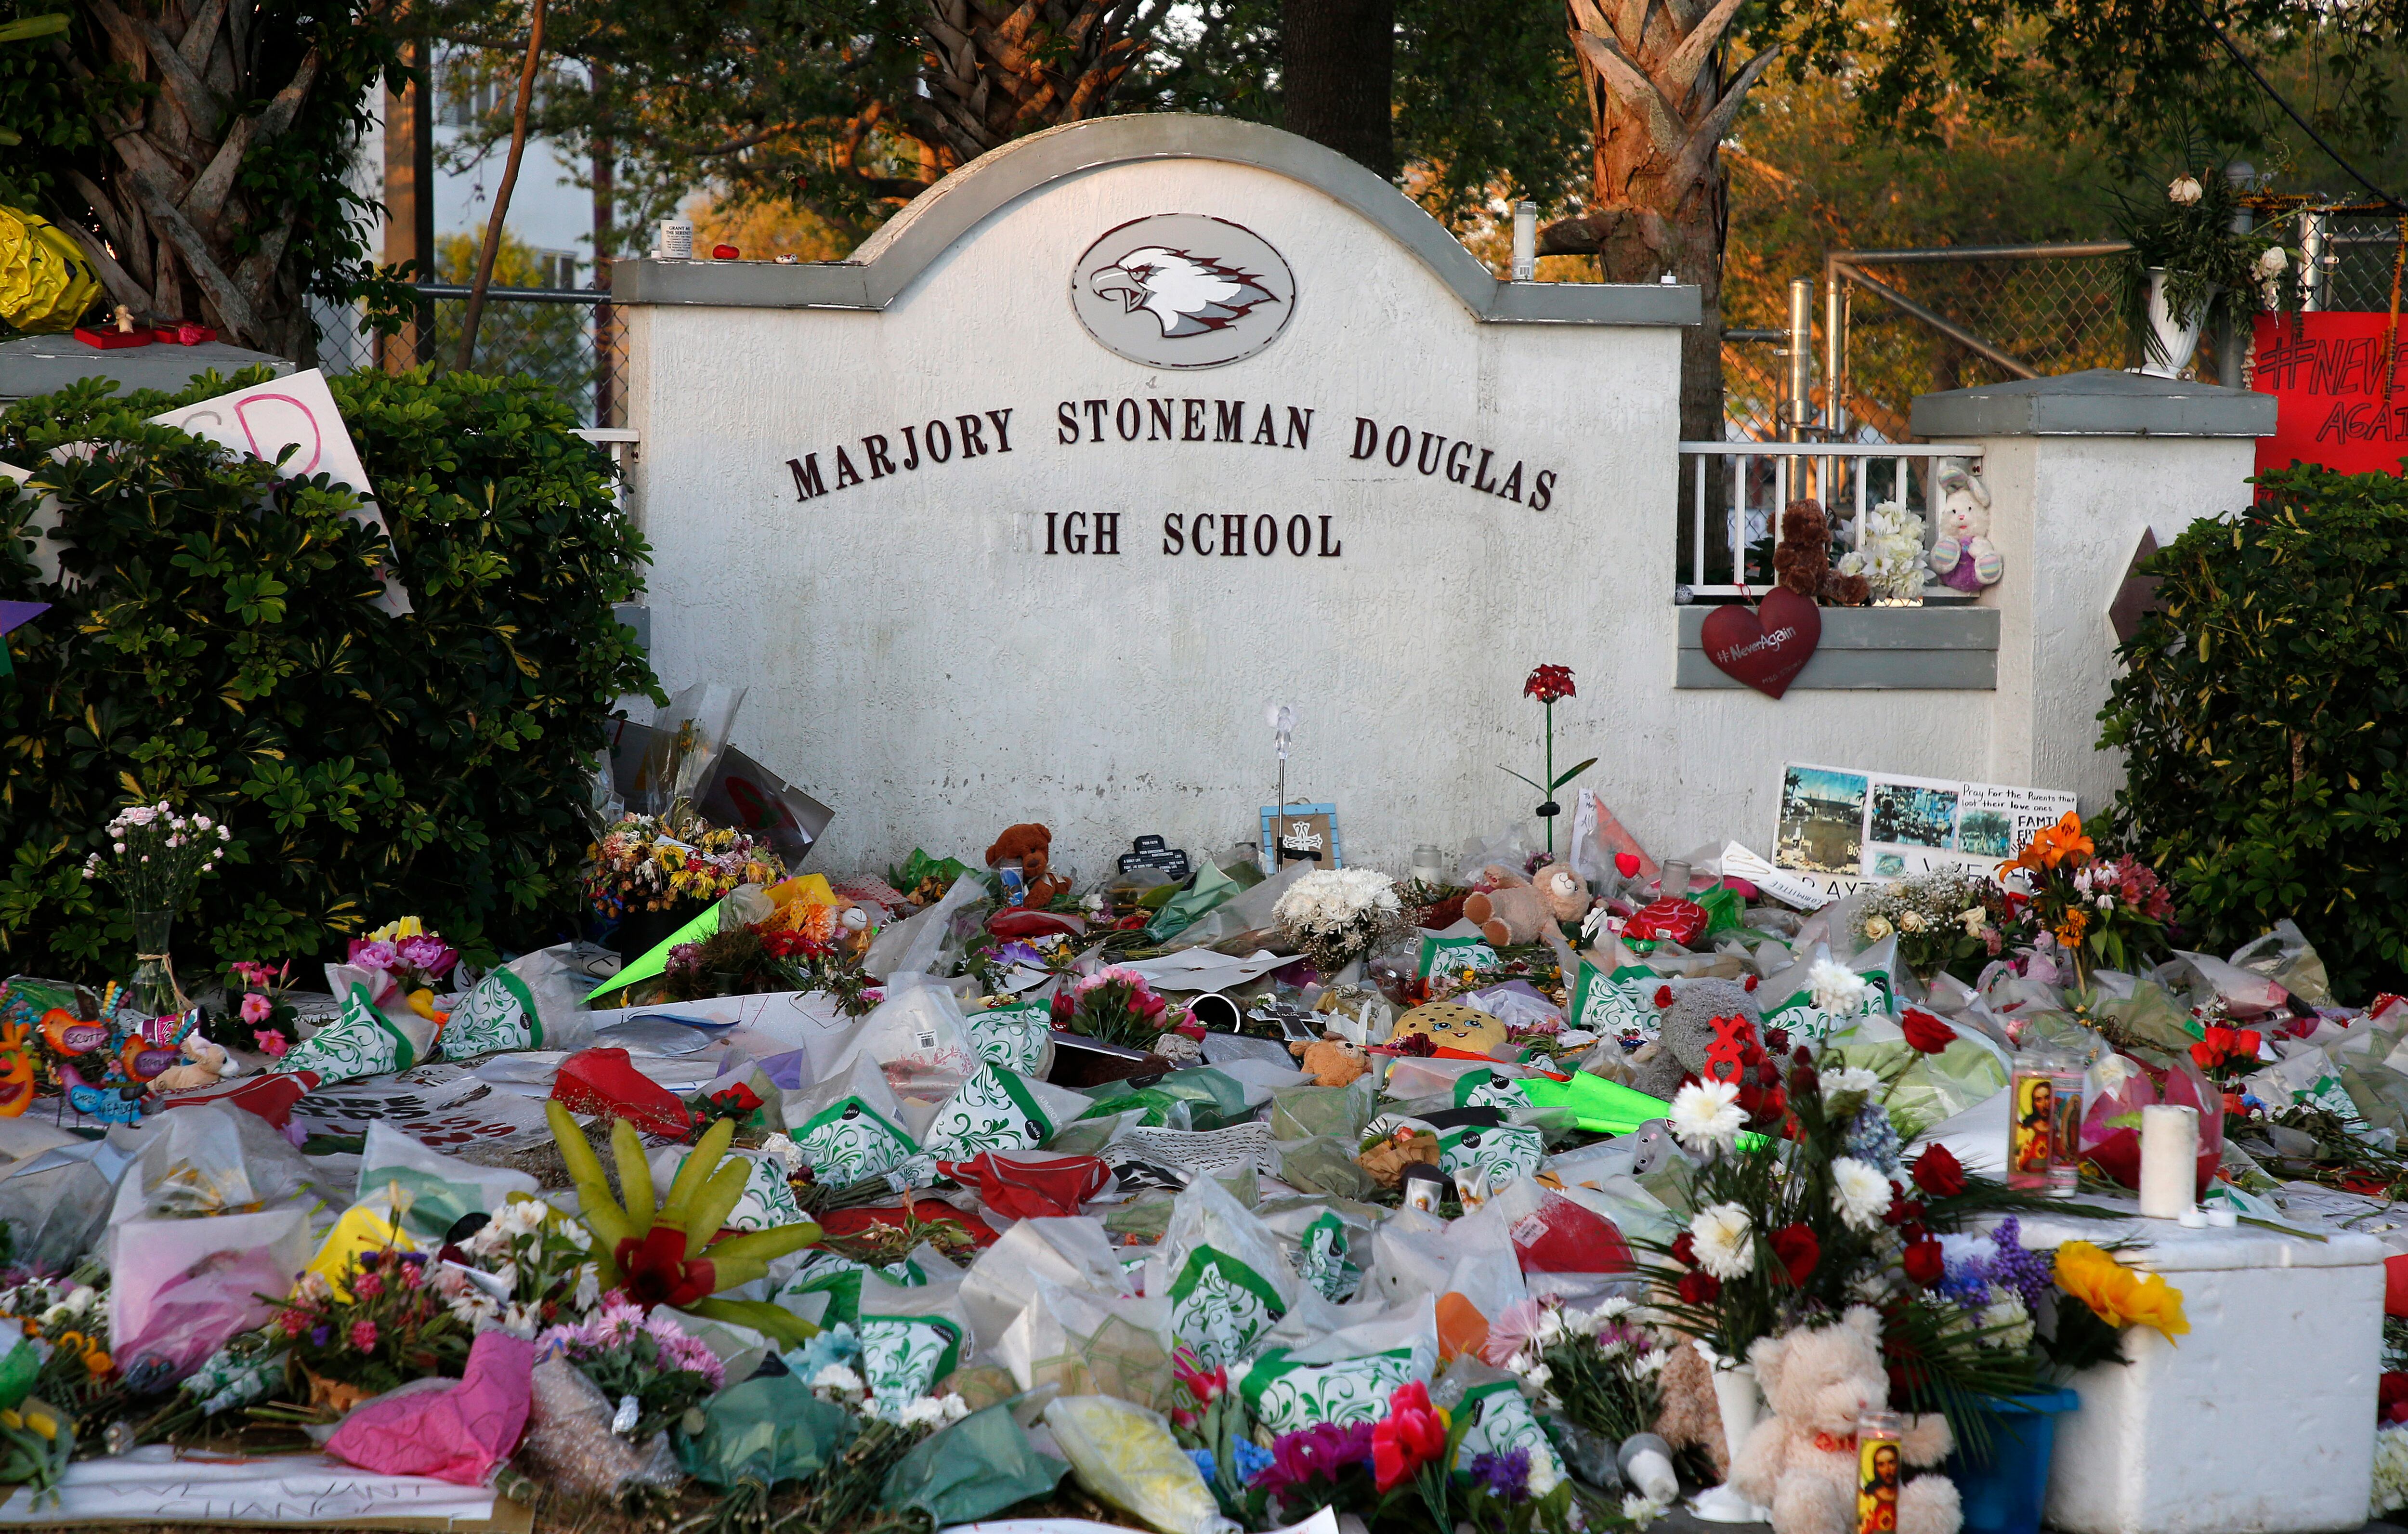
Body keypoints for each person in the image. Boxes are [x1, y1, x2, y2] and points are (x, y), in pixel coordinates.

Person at [1858, 1440, 1901, 1534]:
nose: (1888, 1470)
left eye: (1891, 1462)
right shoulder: (1868, 1497)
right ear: (1876, 1469)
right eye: (1881, 1465)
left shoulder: (1905, 1495)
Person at [2013, 1078, 2055, 1174]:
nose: (2044, 1105)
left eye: (2047, 1098)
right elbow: (2014, 1165)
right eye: (2038, 1100)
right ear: (2034, 1104)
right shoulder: (2025, 1131)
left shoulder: (2059, 1129)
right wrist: (2023, 1159)